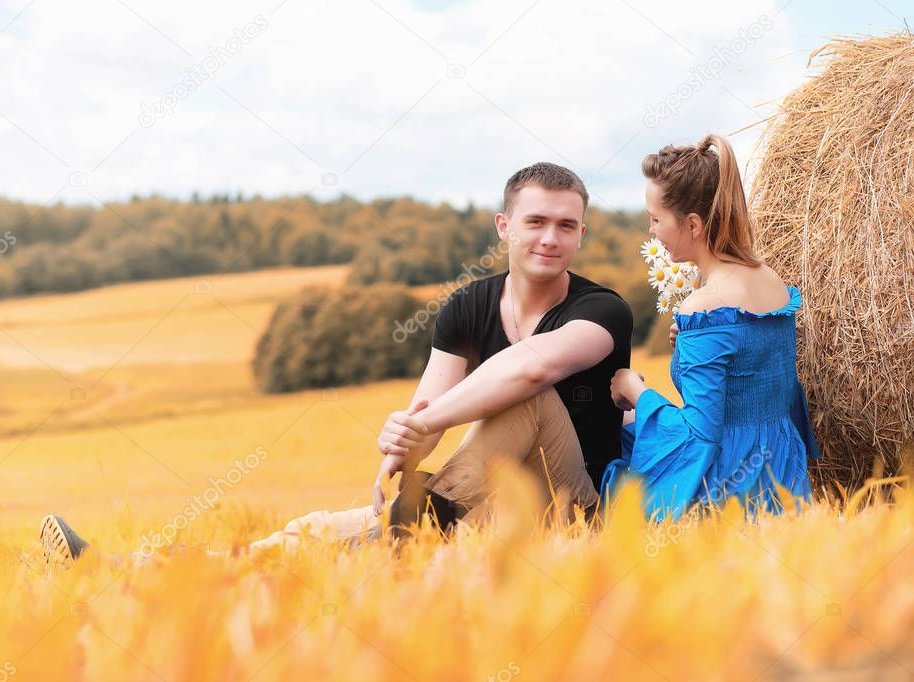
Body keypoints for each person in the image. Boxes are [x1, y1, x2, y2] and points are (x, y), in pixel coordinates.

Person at [40, 162, 634, 564]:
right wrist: (397, 461)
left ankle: (415, 523)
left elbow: (527, 371)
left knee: (524, 395)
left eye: (566, 225)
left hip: (569, 512)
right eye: (536, 222)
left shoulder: (603, 311)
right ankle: (128, 568)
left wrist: (423, 426)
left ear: (581, 234)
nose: (550, 238)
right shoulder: (468, 304)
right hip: (480, 506)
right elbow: (425, 411)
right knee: (321, 530)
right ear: (505, 226)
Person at [605, 134, 820, 522]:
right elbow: (757, 373)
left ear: (692, 224)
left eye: (655, 219)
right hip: (782, 468)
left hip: (733, 482)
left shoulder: (706, 303)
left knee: (615, 449)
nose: (651, 231)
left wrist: (634, 390)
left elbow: (700, 435)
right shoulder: (768, 277)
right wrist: (688, 347)